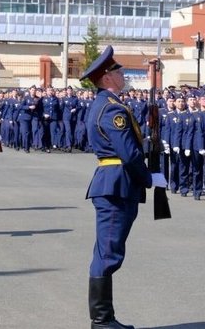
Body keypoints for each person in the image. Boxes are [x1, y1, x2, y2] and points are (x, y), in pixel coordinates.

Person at [81, 45, 167, 329]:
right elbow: (127, 153)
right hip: (117, 185)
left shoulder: (107, 105)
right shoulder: (112, 109)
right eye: (117, 71)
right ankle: (102, 321)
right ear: (107, 78)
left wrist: (147, 144)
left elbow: (127, 145)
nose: (122, 74)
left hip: (114, 184)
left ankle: (105, 318)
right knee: (108, 252)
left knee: (106, 251)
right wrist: (148, 177)